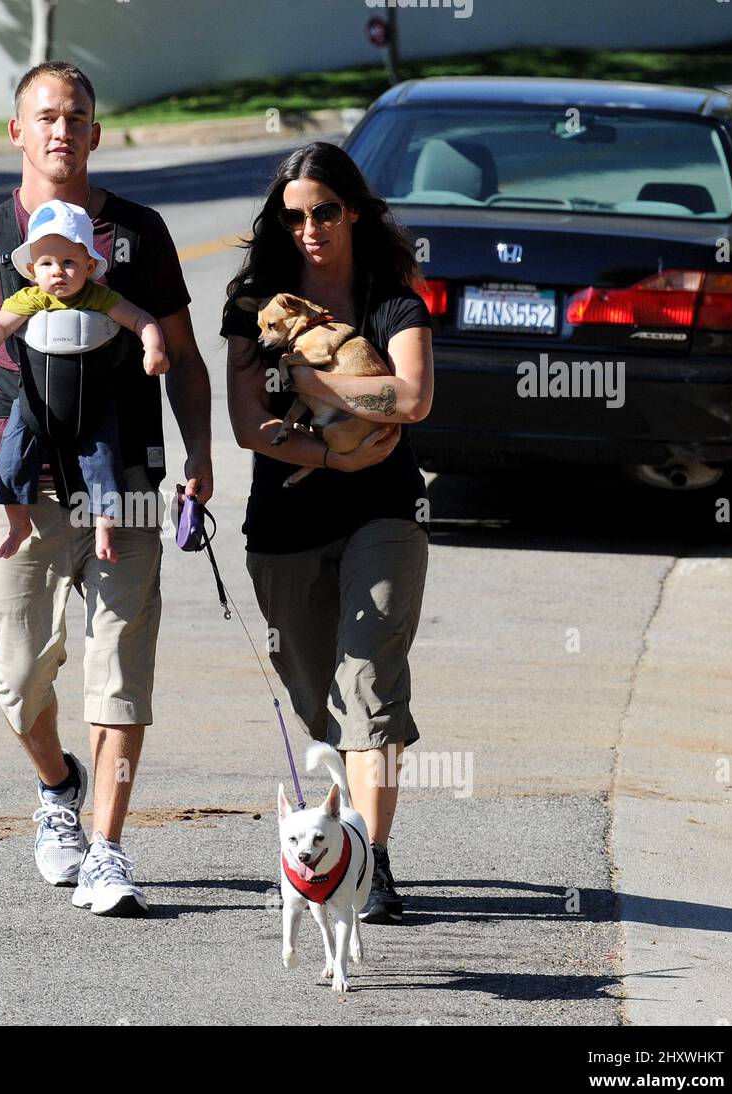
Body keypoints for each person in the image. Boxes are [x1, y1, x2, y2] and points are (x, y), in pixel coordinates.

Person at [0, 61, 212, 917]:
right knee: (14, 673)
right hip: (17, 486)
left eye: (76, 116)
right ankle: (57, 784)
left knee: (119, 672)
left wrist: (199, 454)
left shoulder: (139, 235)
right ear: (16, 131)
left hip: (128, 489)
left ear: (96, 131)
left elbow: (181, 357)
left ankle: (109, 848)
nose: (61, 130)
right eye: (44, 116)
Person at [221, 141, 434, 924]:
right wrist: (326, 453)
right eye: (297, 215)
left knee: (368, 686)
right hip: (285, 521)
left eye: (327, 212)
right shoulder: (254, 302)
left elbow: (409, 399)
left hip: (387, 512)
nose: (311, 227)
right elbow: (249, 423)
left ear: (354, 211)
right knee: (321, 705)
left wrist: (309, 380)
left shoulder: (391, 297)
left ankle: (371, 866)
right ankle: (348, 833)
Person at [0, 198, 170, 564]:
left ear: (90, 266)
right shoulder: (29, 299)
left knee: (104, 462)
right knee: (9, 462)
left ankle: (105, 526)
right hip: (32, 408)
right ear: (31, 270)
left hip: (93, 405)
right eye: (46, 263)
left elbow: (142, 319)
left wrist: (152, 348)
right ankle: (19, 523)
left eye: (69, 262)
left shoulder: (100, 298)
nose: (57, 271)